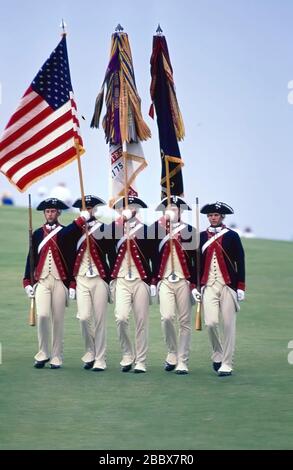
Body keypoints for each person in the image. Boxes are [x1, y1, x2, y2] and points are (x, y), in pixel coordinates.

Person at [194, 201, 246, 377]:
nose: (212, 218)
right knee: (210, 323)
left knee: (229, 325)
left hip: (228, 285)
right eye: (210, 216)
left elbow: (241, 261)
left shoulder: (232, 236)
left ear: (222, 217)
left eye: (215, 215)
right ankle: (217, 353)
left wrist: (240, 286)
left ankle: (227, 362)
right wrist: (195, 285)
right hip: (208, 285)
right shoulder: (201, 237)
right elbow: (197, 264)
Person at [106, 196, 154, 373]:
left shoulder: (146, 230)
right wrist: (121, 221)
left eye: (132, 206)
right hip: (121, 280)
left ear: (137, 209)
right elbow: (103, 243)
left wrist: (154, 281)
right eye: (124, 207)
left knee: (141, 321)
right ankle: (127, 354)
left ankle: (141, 360)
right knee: (121, 317)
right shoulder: (113, 229)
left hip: (141, 280)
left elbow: (153, 257)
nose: (128, 209)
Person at [23, 198, 71, 369]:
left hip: (59, 281)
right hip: (42, 281)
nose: (50, 214)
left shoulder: (66, 232)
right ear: (44, 214)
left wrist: (71, 284)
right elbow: (31, 258)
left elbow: (72, 260)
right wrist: (27, 282)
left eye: (53, 211)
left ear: (59, 213)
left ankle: (57, 356)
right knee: (42, 315)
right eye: (47, 211)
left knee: (58, 319)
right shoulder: (36, 233)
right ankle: (43, 353)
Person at [151, 196, 196, 375]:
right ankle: (172, 352)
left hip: (184, 280)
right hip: (165, 281)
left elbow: (195, 260)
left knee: (184, 322)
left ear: (181, 212)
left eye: (175, 209)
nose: (172, 212)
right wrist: (153, 280)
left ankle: (182, 360)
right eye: (168, 209)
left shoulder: (190, 230)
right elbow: (151, 256)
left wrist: (195, 286)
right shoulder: (157, 229)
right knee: (167, 317)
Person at [68, 195, 111, 371]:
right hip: (81, 278)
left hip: (99, 278)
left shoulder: (103, 228)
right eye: (85, 209)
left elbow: (112, 252)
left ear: (96, 210)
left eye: (91, 208)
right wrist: (81, 220)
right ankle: (90, 351)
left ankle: (100, 358)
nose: (88, 211)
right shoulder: (74, 228)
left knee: (100, 319)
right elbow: (64, 237)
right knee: (84, 317)